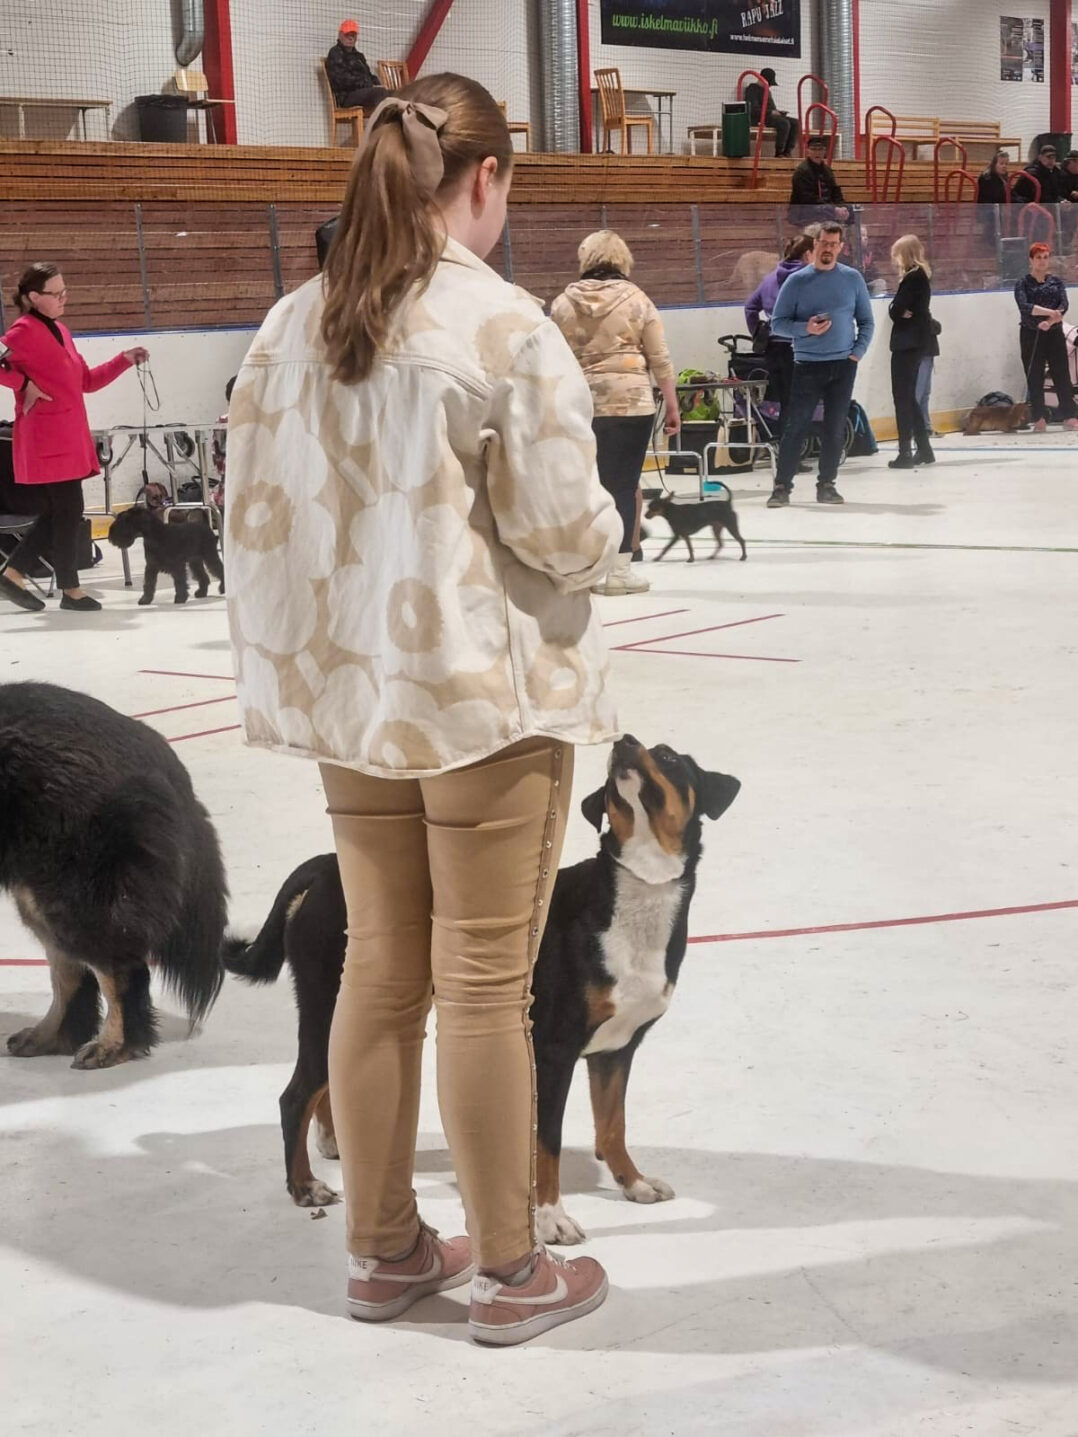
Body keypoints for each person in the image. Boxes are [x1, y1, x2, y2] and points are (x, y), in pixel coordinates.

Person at [225, 74, 620, 1346]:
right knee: (489, 981)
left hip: (350, 695)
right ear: (487, 180)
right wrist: (609, 528)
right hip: (478, 700)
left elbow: (252, 524)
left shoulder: (291, 319)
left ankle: (384, 1248)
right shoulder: (502, 325)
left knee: (384, 969)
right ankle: (511, 1270)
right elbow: (562, 534)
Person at [0, 263, 147, 613]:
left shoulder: (62, 332)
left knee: (62, 511)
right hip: (46, 438)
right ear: (34, 297)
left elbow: (87, 381)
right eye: (57, 293)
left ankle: (18, 573)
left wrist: (123, 360)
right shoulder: (20, 332)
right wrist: (23, 384)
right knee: (67, 510)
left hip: (68, 436)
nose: (65, 297)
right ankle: (65, 588)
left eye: (65, 290)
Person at [551, 230, 679, 594]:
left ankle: (584, 567)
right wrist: (672, 404)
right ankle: (620, 573)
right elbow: (660, 358)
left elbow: (552, 357)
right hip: (630, 404)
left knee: (584, 485)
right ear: (623, 259)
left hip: (580, 403)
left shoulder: (562, 303)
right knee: (622, 486)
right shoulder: (638, 300)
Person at [767, 221, 875, 507]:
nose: (827, 249)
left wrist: (857, 352)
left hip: (843, 365)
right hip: (807, 365)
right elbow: (777, 324)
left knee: (835, 426)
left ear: (841, 247)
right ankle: (782, 487)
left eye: (833, 244)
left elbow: (866, 321)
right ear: (814, 245)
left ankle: (827, 484)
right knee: (796, 425)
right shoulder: (797, 281)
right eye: (823, 243)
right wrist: (806, 329)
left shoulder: (852, 279)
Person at [744, 232, 815, 432]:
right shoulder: (807, 279)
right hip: (799, 348)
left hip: (773, 349)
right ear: (808, 254)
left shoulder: (770, 278)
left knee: (786, 401)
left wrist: (758, 332)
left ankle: (787, 449)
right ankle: (793, 452)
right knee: (800, 402)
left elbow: (750, 307)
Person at [1014, 242, 1078, 432]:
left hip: (1054, 333)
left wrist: (1049, 322)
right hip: (1030, 335)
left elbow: (1063, 305)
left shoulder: (1056, 282)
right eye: (1038, 258)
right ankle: (1040, 417)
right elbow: (1024, 307)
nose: (1042, 261)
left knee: (1061, 374)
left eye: (1045, 257)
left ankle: (1069, 415)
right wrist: (1049, 312)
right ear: (1031, 260)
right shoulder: (1023, 283)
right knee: (1034, 374)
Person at [887, 234, 936, 469]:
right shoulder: (920, 276)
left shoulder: (912, 277)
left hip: (907, 343)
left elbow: (897, 310)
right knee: (908, 397)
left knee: (902, 397)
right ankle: (924, 449)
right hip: (916, 341)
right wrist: (898, 309)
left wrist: (896, 309)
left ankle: (905, 451)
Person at [324, 19, 388, 112]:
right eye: (347, 35)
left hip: (363, 92)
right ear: (340, 35)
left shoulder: (359, 56)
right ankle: (382, 124)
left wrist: (378, 84)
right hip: (346, 96)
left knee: (389, 93)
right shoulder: (335, 53)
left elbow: (369, 75)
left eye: (353, 35)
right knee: (379, 93)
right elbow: (340, 80)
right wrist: (367, 84)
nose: (350, 38)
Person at [789, 135, 850, 226]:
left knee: (852, 212)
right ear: (808, 151)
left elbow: (835, 191)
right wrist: (832, 209)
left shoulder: (827, 170)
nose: (817, 153)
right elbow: (807, 199)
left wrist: (842, 207)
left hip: (826, 210)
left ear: (824, 151)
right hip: (806, 212)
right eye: (813, 149)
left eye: (820, 149)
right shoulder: (802, 172)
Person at [744, 68, 799, 158]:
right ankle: (779, 152)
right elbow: (753, 110)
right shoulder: (752, 89)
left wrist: (778, 112)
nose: (769, 86)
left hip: (770, 116)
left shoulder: (767, 91)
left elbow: (772, 108)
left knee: (796, 122)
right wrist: (771, 112)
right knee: (784, 123)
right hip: (760, 118)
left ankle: (787, 152)